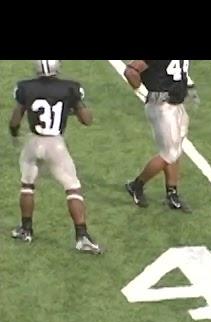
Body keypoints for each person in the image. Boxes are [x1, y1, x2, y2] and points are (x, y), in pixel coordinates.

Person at [9, 60, 102, 254]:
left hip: (33, 142)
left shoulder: (25, 87)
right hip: (55, 144)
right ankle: (82, 236)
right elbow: (87, 120)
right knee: (72, 187)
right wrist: (72, 109)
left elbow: (15, 119)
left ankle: (26, 229)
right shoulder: (70, 88)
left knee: (27, 185)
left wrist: (14, 132)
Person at [124, 60, 191, 212]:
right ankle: (136, 185)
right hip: (162, 106)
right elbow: (131, 71)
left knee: (176, 149)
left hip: (176, 104)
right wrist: (143, 91)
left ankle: (172, 193)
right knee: (169, 153)